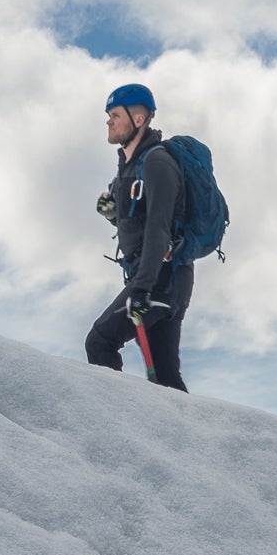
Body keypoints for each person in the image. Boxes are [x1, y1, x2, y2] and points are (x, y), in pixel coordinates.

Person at [86, 83, 192, 392]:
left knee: (100, 341)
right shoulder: (129, 168)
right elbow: (137, 221)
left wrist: (142, 288)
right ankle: (182, 438)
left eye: (115, 114)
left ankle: (120, 420)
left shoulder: (157, 163)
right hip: (161, 277)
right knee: (165, 378)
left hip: (162, 278)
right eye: (108, 115)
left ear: (139, 120)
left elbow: (159, 227)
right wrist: (112, 213)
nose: (109, 121)